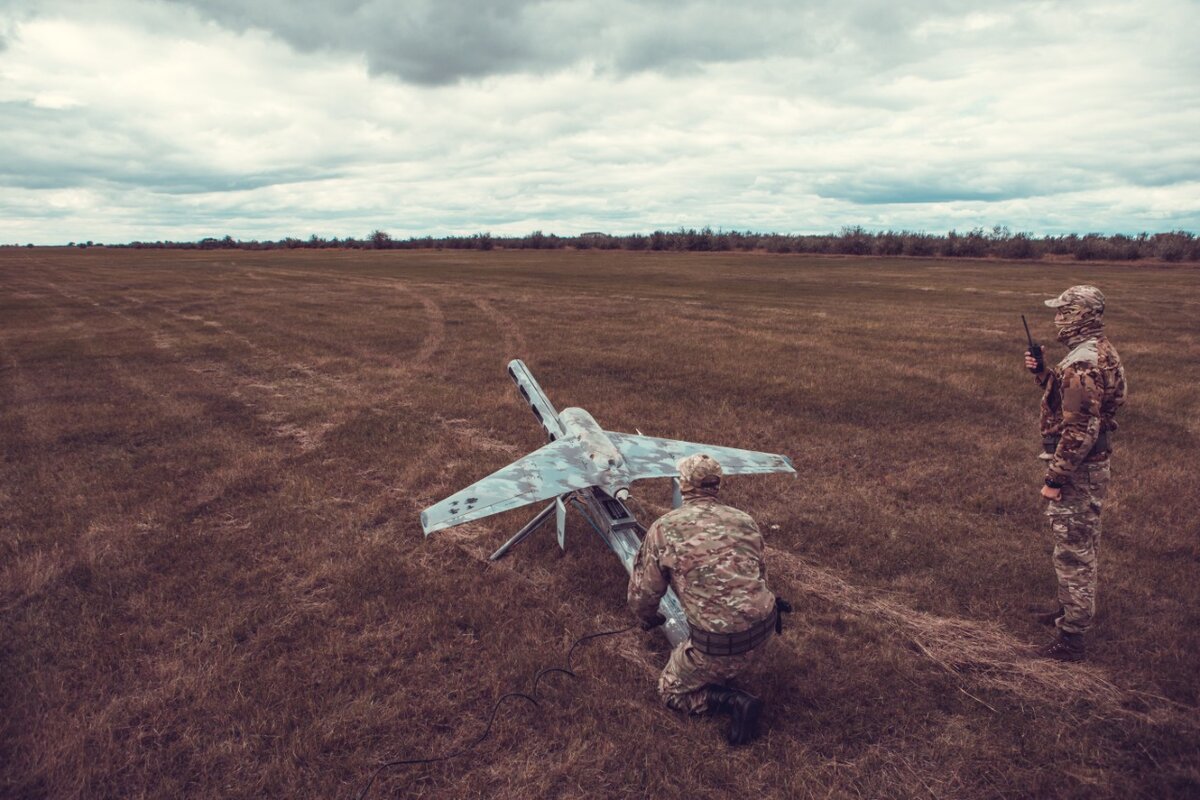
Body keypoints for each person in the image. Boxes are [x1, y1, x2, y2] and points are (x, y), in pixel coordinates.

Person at [627, 453, 787, 744]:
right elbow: (759, 573)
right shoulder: (745, 520)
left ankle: (733, 702)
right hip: (765, 631)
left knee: (670, 690)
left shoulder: (664, 528)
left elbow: (644, 592)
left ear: (683, 484)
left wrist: (647, 617)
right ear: (717, 485)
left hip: (720, 647)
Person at [1024, 285, 1126, 662]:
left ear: (1078, 315)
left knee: (1074, 552)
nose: (1057, 319)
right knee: (1077, 546)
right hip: (1090, 467)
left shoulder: (1082, 363)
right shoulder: (1098, 351)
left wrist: (1055, 479)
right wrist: (1046, 375)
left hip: (1079, 472)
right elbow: (1088, 405)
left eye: (1063, 312)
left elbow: (1081, 429)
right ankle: (1068, 613)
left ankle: (1071, 639)